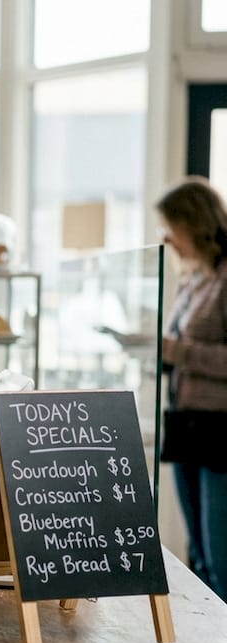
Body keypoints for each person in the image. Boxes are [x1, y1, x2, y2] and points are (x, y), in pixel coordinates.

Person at [156, 176, 227, 601]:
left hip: (220, 432)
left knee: (220, 556)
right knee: (198, 554)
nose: (167, 238)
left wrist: (176, 351)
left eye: (172, 226)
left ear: (195, 223)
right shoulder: (193, 279)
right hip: (187, 426)